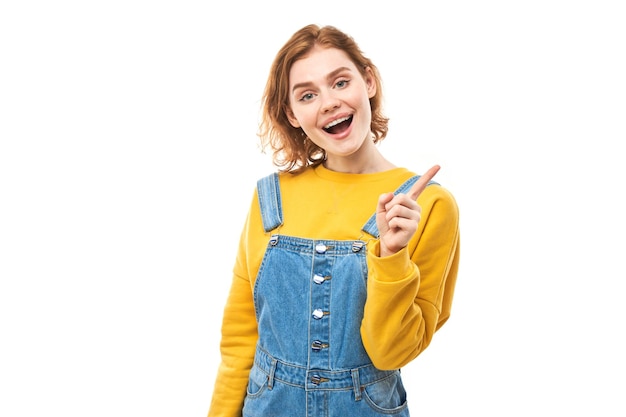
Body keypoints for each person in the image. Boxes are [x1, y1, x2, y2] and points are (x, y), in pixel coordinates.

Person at [207, 23, 460, 417]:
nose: (328, 102)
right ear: (292, 114)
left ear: (369, 82)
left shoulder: (427, 205)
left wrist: (392, 255)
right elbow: (241, 338)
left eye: (340, 82)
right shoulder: (269, 199)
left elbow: (390, 352)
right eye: (307, 95)